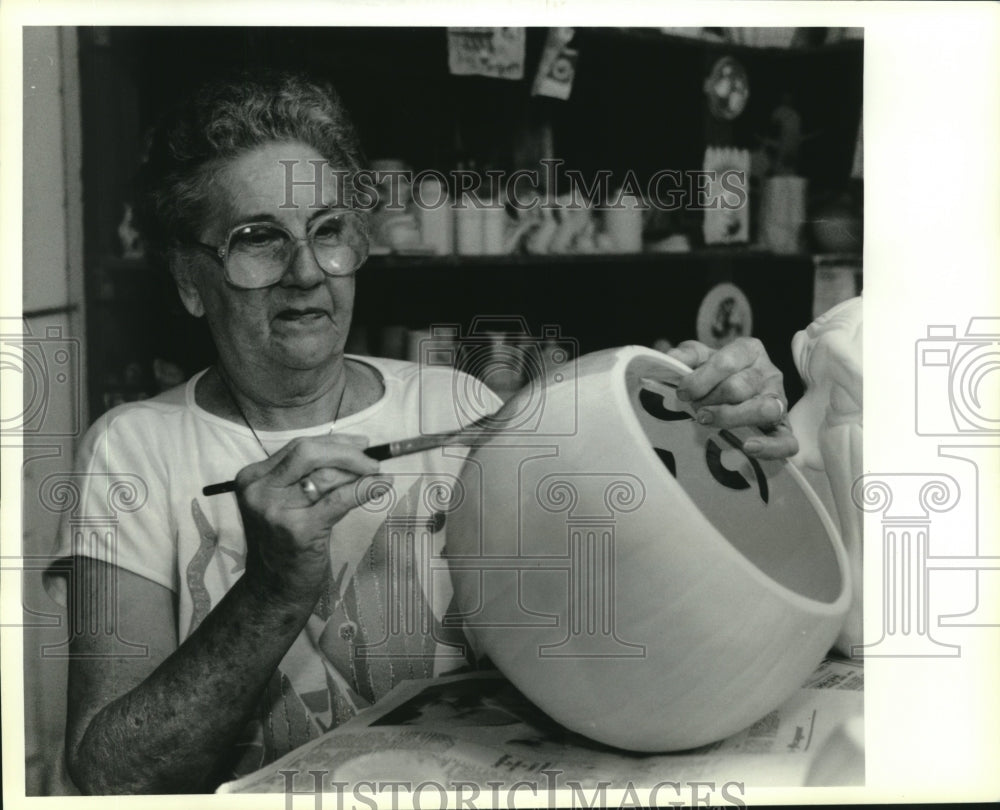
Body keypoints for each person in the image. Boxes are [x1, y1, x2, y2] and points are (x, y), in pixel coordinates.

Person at [46, 71, 798, 794]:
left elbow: (603, 615)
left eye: (330, 231)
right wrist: (272, 590)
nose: (307, 270)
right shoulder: (133, 449)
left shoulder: (455, 402)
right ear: (188, 277)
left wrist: (699, 434)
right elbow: (111, 775)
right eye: (258, 239)